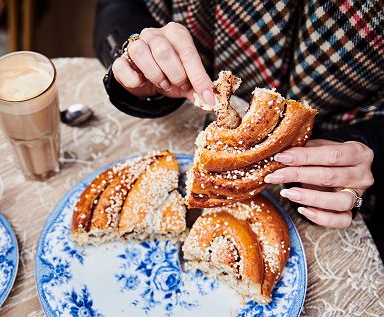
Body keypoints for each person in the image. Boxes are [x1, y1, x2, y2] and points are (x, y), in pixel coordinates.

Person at [94, 0, 382, 230]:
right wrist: (141, 54)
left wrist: (370, 149)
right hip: (187, 107)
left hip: (331, 156)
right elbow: (119, 8)